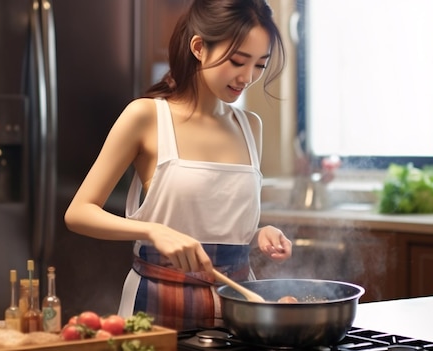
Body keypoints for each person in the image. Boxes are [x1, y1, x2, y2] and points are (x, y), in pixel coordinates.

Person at [64, 0, 292, 330]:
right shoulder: (145, 116)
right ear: (199, 47)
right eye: (238, 61)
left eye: (260, 65)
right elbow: (79, 212)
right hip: (156, 305)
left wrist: (258, 234)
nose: (248, 77)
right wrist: (153, 230)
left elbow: (215, 222)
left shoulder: (250, 126)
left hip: (239, 305)